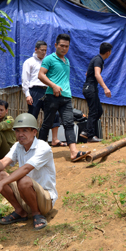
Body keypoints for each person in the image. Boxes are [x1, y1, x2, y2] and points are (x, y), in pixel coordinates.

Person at [0, 113, 57, 230]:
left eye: (25, 130)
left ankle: (37, 213)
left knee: (23, 180)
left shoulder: (43, 147)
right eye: (17, 131)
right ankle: (20, 211)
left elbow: (25, 169)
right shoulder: (18, 146)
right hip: (25, 195)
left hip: (45, 199)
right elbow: (4, 161)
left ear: (34, 132)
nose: (20, 134)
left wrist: (1, 184)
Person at [38, 33, 89, 162]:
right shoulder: (49, 59)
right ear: (55, 45)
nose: (64, 48)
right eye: (61, 46)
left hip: (66, 97)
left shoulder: (67, 61)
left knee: (69, 124)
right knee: (47, 124)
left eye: (66, 46)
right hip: (51, 96)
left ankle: (73, 152)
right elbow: (41, 75)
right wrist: (53, 86)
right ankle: (38, 153)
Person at [22, 41, 63, 146]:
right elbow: (25, 79)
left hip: (48, 90)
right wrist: (27, 94)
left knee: (54, 113)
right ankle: (30, 142)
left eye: (45, 50)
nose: (44, 52)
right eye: (42, 50)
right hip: (34, 91)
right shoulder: (29, 62)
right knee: (32, 116)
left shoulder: (47, 62)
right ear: (36, 50)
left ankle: (54, 139)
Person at [81, 42, 113, 143]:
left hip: (90, 88)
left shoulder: (96, 59)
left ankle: (87, 131)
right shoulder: (98, 60)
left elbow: (88, 73)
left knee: (98, 111)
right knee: (94, 111)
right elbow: (97, 74)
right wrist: (105, 88)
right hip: (90, 88)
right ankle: (90, 136)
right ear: (108, 52)